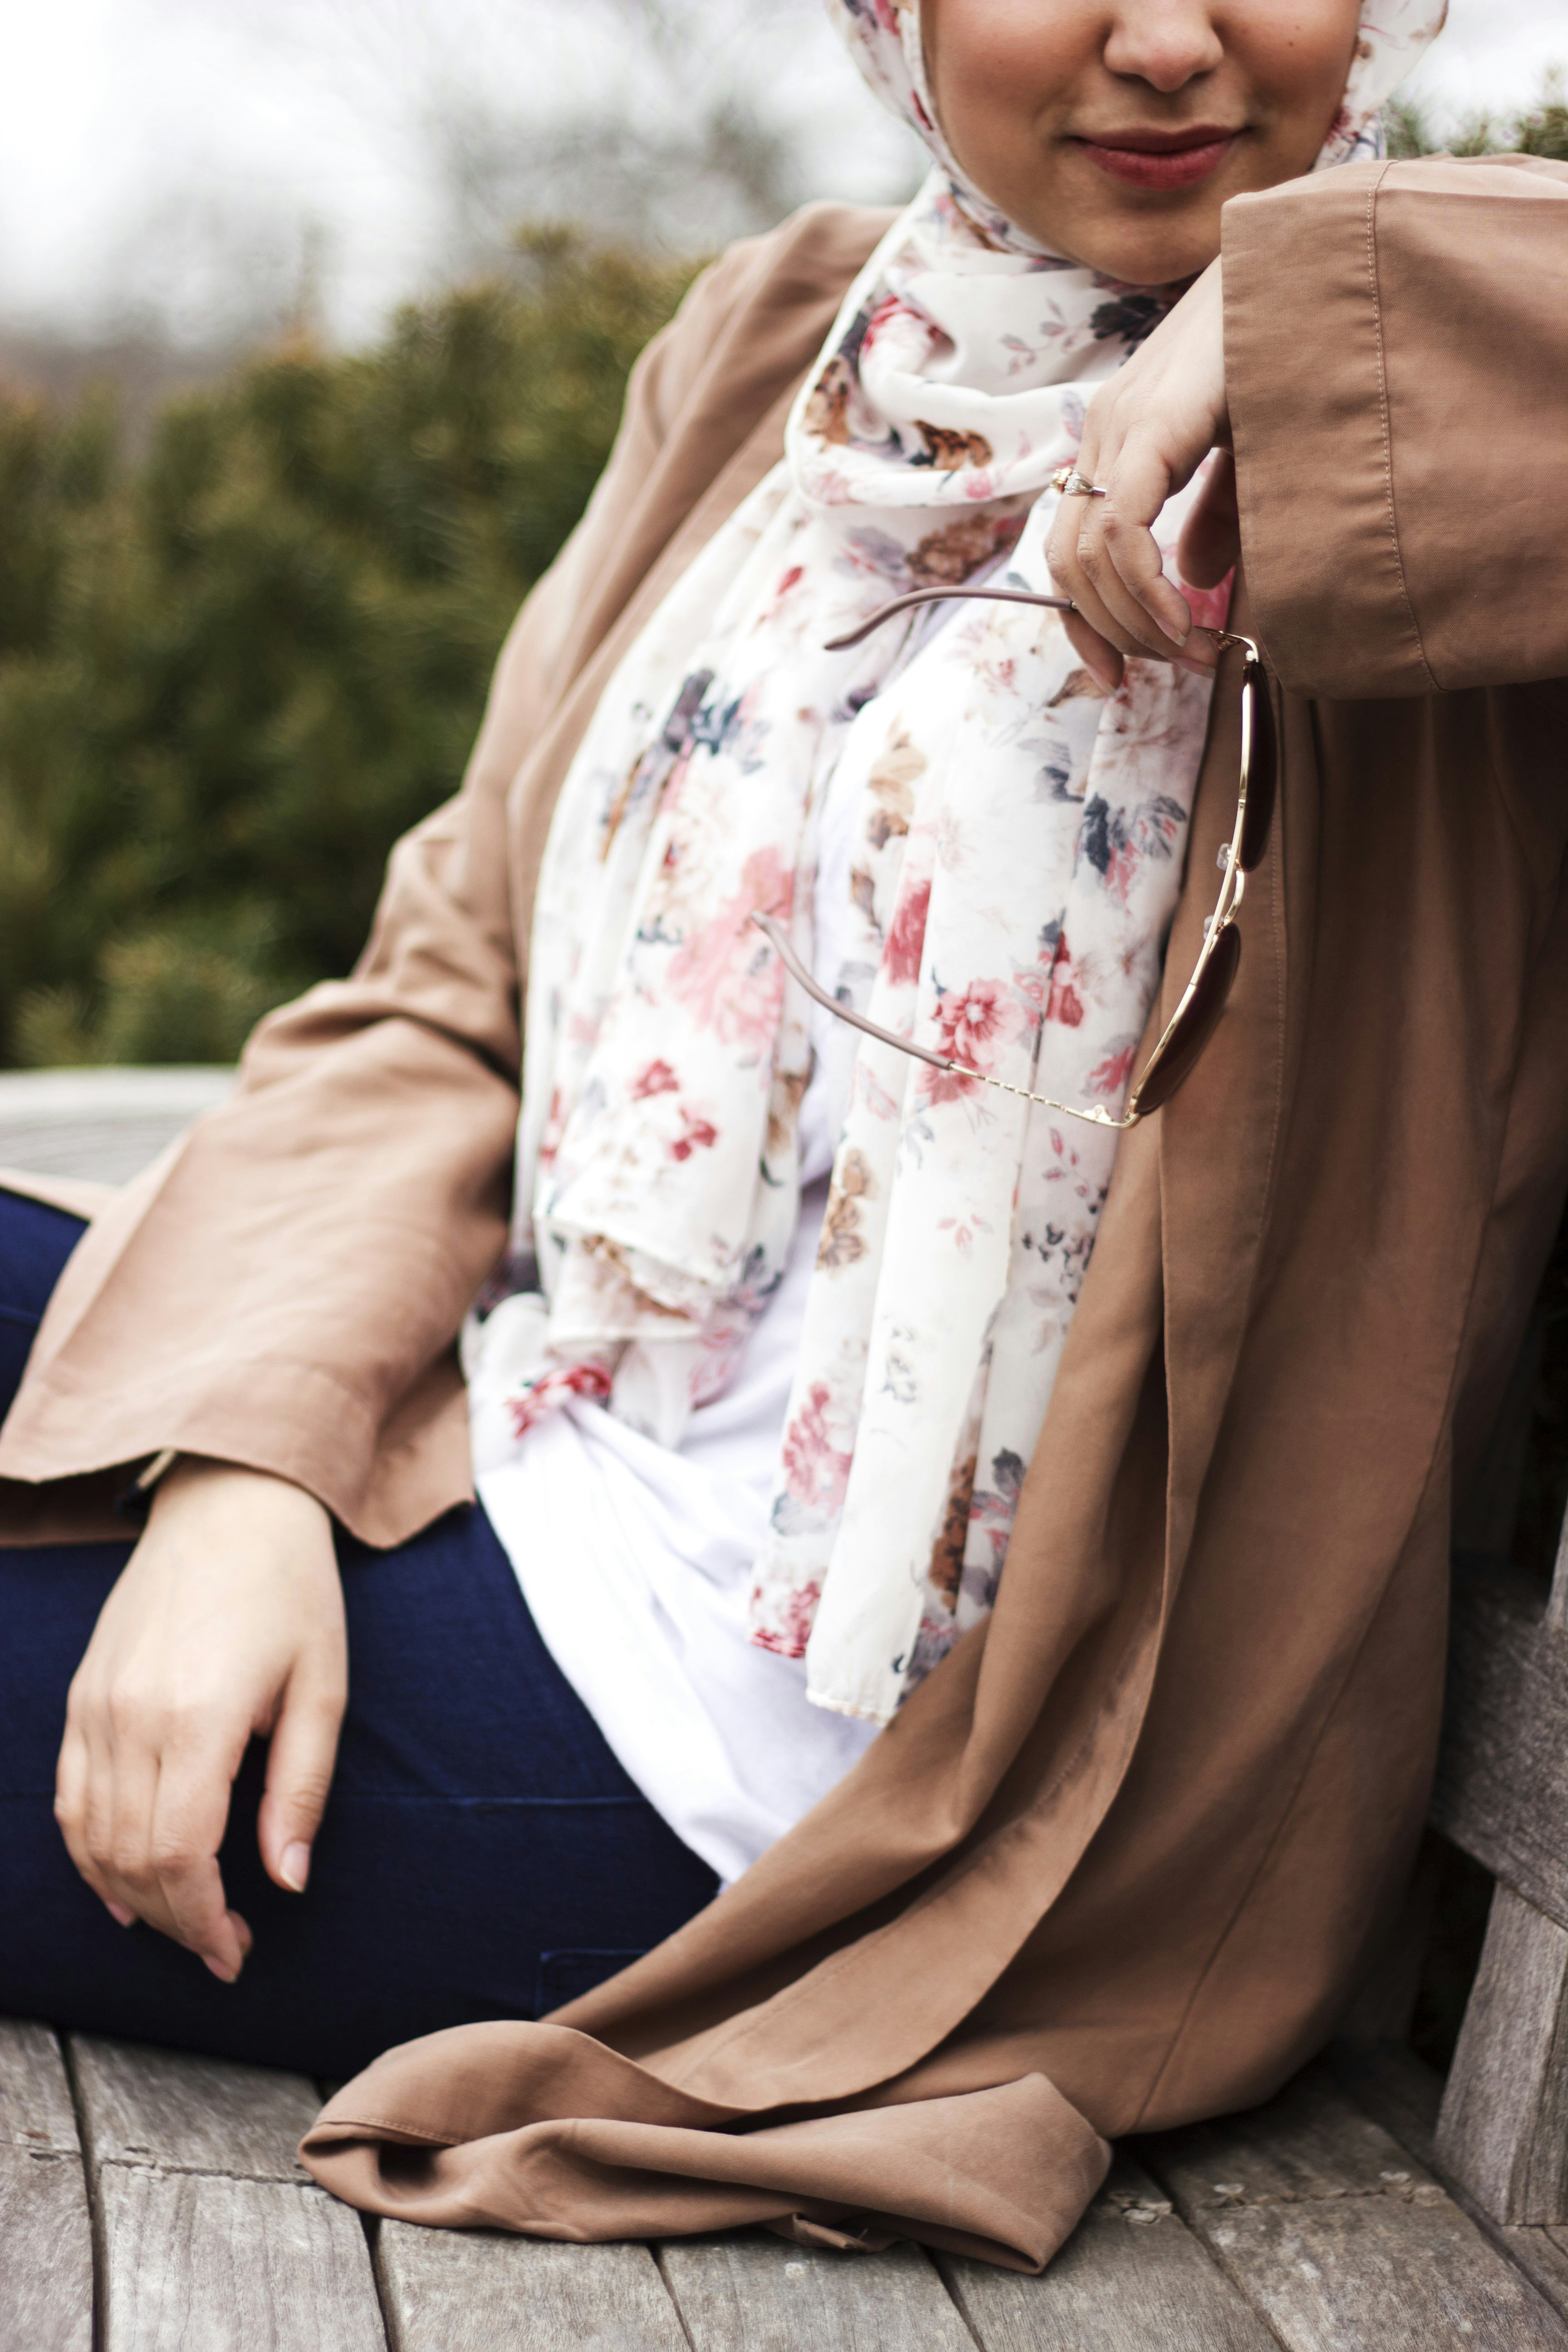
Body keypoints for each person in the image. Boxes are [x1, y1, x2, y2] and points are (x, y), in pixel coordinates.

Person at [2, 0, 1565, 2271]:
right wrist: (243, 1469)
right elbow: (443, 995)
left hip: (810, 1768)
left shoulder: (1428, 437)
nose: (1168, 38)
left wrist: (1304, 316)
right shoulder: (780, 354)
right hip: (523, 1424)